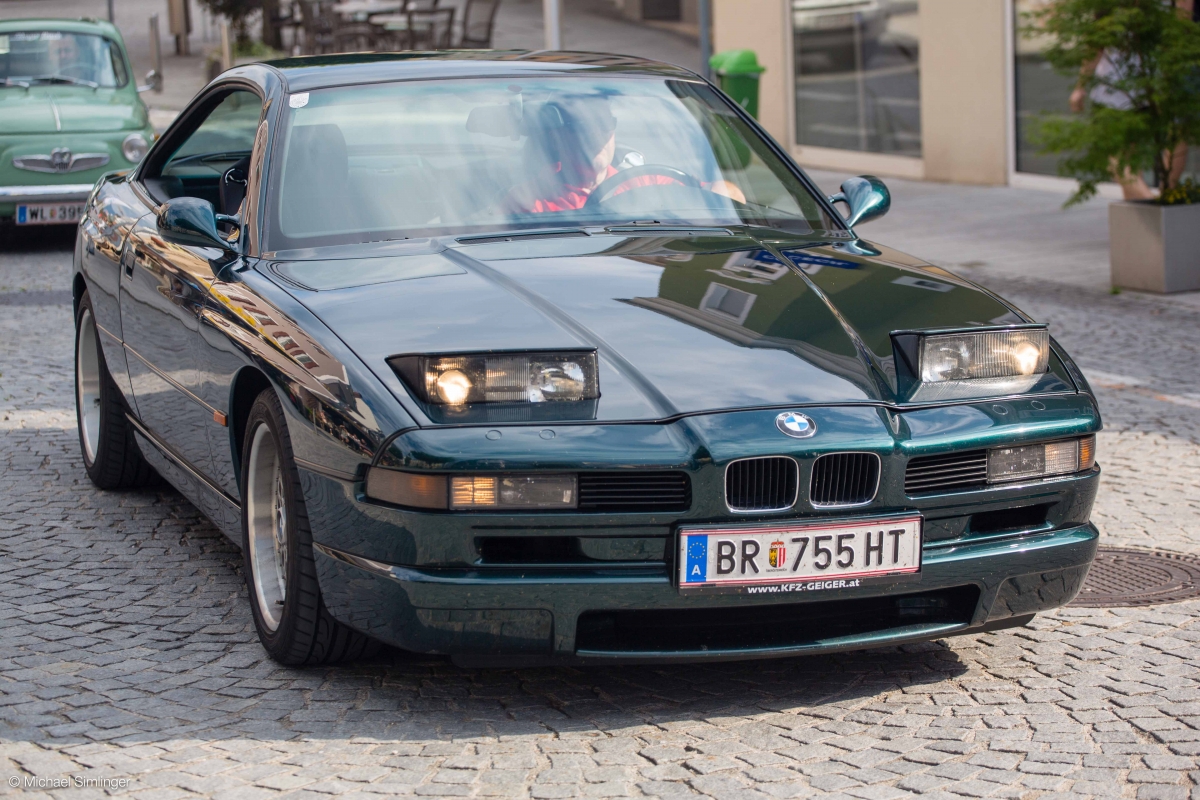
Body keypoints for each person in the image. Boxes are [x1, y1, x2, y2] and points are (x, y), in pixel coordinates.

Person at [507, 95, 745, 215]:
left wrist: (717, 196)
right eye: (583, 127)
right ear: (559, 136)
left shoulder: (644, 181)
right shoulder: (530, 199)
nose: (596, 135)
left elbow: (729, 194)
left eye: (604, 124)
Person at [1068, 0, 1194, 200]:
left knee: (1118, 161)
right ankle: (1145, 211)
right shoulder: (1160, 7)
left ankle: (1152, 205)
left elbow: (1095, 46)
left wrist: (1080, 87)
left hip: (1113, 93)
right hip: (1146, 89)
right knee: (1131, 162)